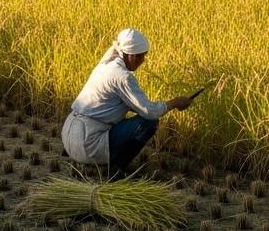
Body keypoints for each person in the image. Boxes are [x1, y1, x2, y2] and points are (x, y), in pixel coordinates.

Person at [62, 28, 191, 178]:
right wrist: (175, 102)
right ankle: (116, 169)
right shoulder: (122, 76)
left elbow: (133, 105)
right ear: (129, 55)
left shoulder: (105, 65)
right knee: (149, 123)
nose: (142, 60)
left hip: (70, 135)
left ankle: (102, 162)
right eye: (140, 56)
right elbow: (149, 112)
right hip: (88, 143)